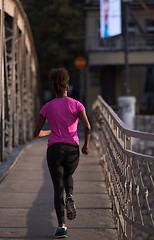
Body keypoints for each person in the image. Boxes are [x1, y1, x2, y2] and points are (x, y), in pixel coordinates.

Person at [33, 68, 91, 238]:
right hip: (72, 149)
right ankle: (70, 195)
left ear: (54, 88)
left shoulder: (47, 107)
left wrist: (50, 132)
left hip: (54, 150)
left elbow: (36, 133)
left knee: (58, 188)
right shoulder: (76, 104)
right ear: (67, 87)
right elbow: (87, 126)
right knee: (68, 175)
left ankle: (61, 227)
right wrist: (86, 146)